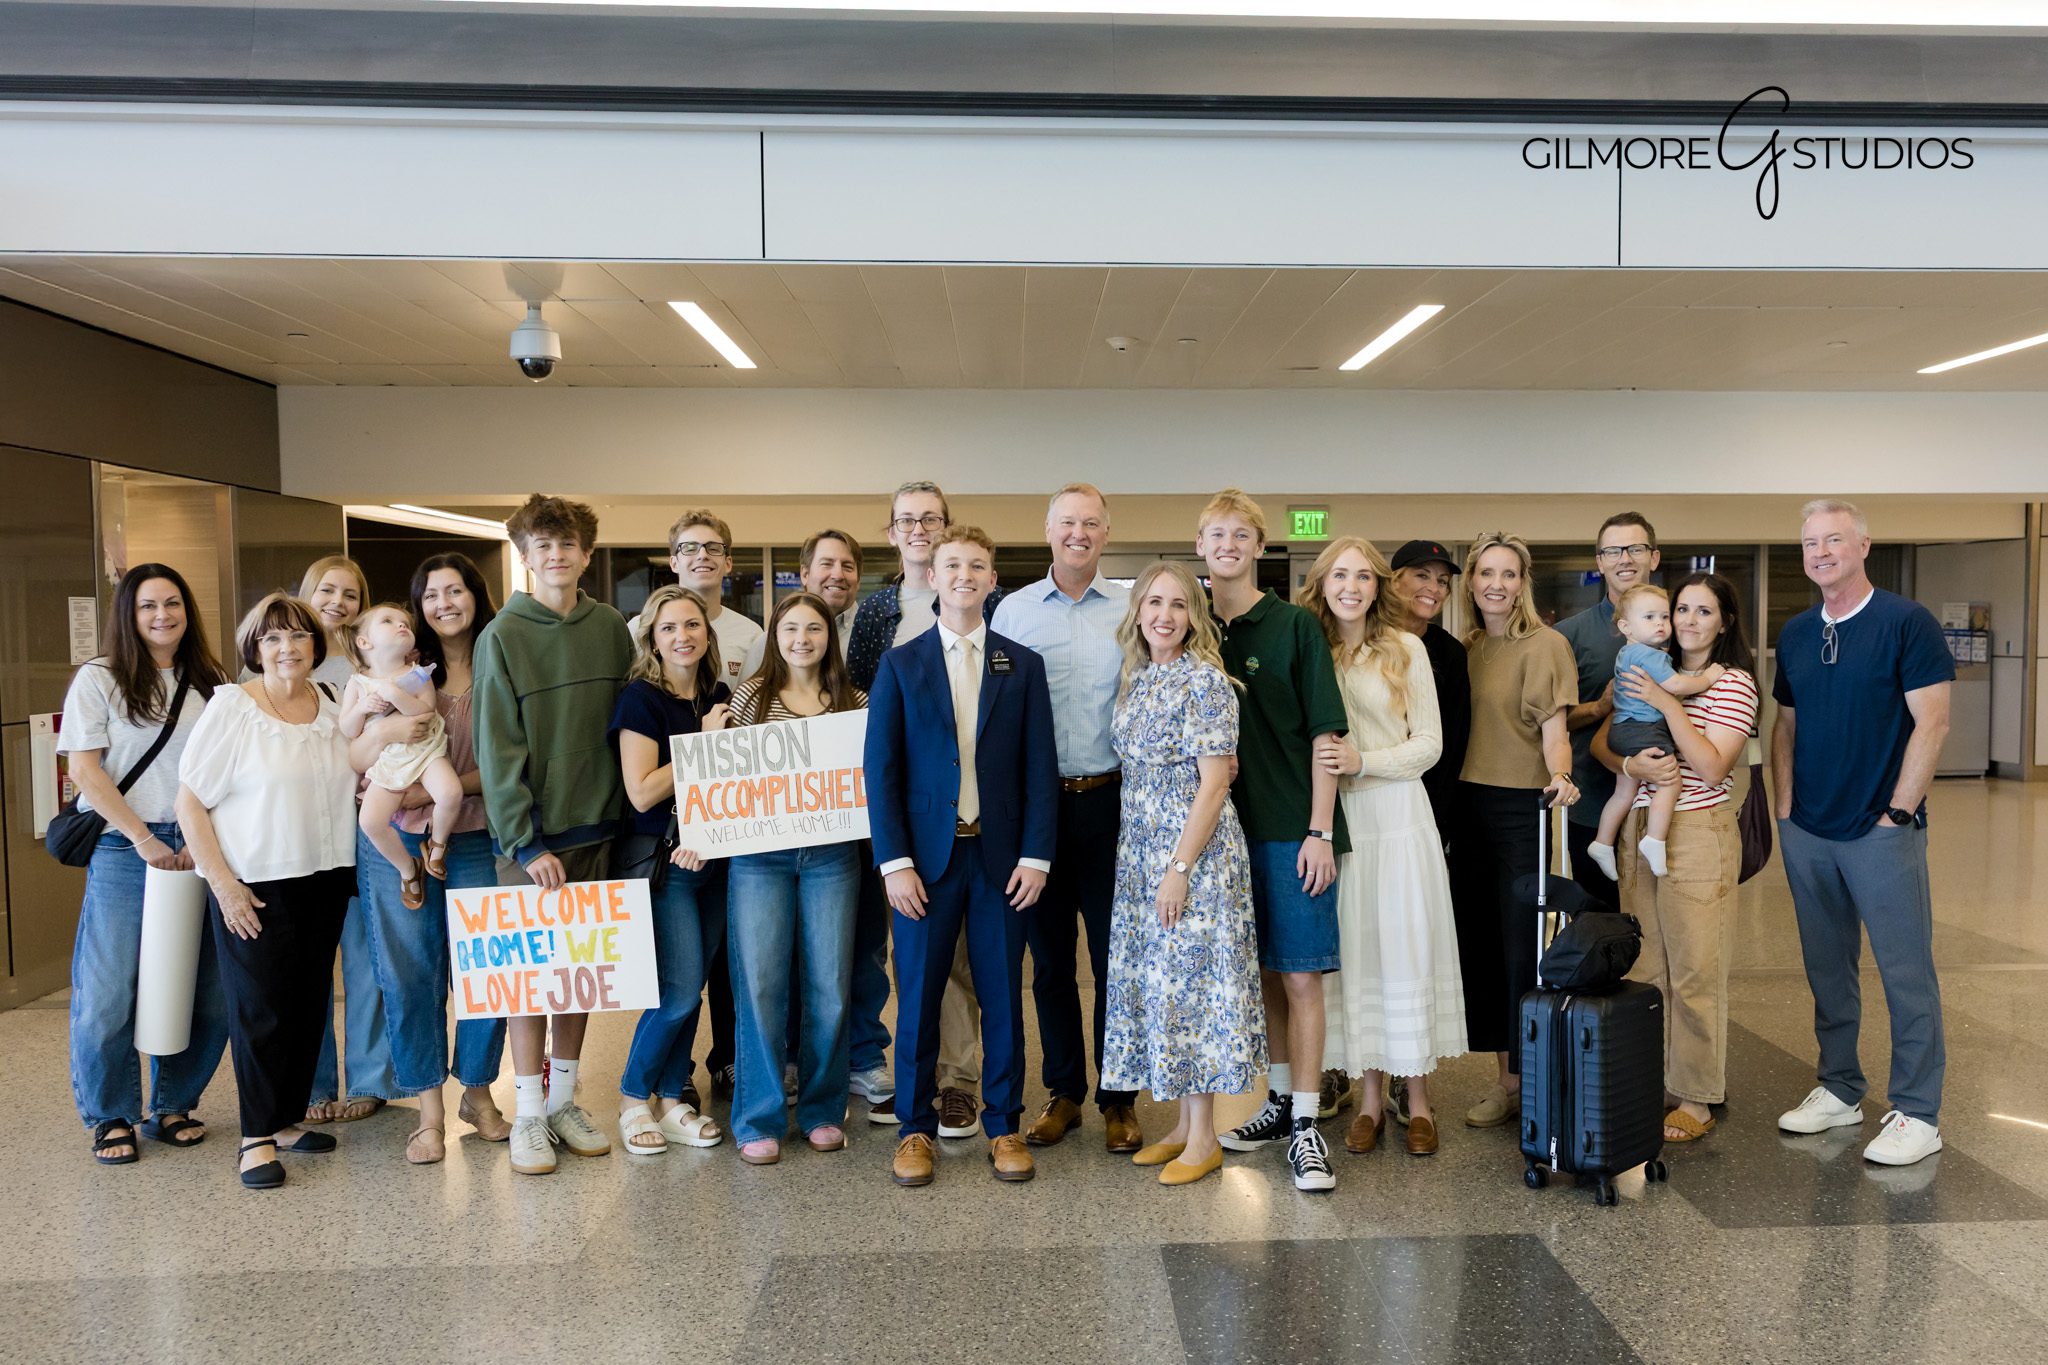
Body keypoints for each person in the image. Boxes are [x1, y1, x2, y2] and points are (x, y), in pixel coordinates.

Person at [866, 525, 1057, 1187]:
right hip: (924, 862)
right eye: (953, 564)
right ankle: (914, 1129)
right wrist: (894, 863)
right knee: (916, 996)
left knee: (1003, 994)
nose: (965, 574)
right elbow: (881, 770)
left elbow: (1040, 768)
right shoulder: (901, 664)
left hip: (1001, 860)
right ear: (933, 575)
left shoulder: (1021, 664)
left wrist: (1037, 856)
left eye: (978, 563)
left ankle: (1003, 1124)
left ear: (992, 578)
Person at [1771, 499, 1953, 1167]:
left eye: (1834, 539)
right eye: (1810, 542)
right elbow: (1784, 725)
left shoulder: (1907, 623)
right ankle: (1841, 1087)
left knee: (1906, 974)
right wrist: (1786, 810)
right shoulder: (1795, 632)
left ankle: (1918, 1110)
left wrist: (1897, 814)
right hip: (1809, 831)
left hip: (1881, 832)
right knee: (1828, 969)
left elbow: (1931, 726)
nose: (1820, 551)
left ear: (1864, 545)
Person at [175, 593, 359, 1189]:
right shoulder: (233, 706)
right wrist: (222, 884)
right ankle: (254, 1137)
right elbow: (190, 802)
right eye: (272, 638)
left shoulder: (331, 703)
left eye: (298, 636)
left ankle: (283, 1119)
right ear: (254, 648)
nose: (287, 648)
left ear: (315, 644)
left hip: (326, 876)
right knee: (259, 1009)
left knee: (307, 1003)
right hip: (255, 881)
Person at [474, 493, 634, 1176]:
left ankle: (567, 1098)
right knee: (529, 979)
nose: (558, 555)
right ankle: (531, 1113)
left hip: (605, 827)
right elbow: (496, 749)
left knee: (581, 977)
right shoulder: (502, 637)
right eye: (544, 545)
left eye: (569, 545)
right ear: (526, 555)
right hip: (534, 843)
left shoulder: (612, 629)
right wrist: (525, 842)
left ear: (587, 555)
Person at [846, 481, 1005, 1135]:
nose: (918, 528)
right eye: (906, 519)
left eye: (930, 518)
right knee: (910, 959)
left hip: (973, 818)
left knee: (967, 961)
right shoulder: (878, 611)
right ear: (891, 531)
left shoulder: (981, 604)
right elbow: (858, 701)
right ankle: (911, 1083)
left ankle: (960, 1081)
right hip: (906, 816)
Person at [1098, 562, 1264, 1187]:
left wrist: (1179, 869)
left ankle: (1205, 1139)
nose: (1164, 615)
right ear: (1137, 611)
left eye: (1178, 605)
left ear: (1194, 616)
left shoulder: (1206, 683)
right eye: (1154, 603)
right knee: (1166, 990)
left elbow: (1216, 782)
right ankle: (1180, 1126)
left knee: (1195, 992)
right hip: (1141, 853)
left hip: (1194, 857)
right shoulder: (1140, 679)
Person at [1300, 537, 1466, 1159]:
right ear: (1323, 584)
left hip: (1398, 816)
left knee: (1404, 949)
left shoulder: (1408, 649)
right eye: (1339, 575)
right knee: (1361, 952)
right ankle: (1369, 1100)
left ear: (1378, 587)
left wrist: (1364, 761)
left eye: (1362, 577)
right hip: (1339, 823)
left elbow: (1429, 745)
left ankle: (1417, 1100)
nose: (1351, 586)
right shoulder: (1311, 649)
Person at [1201, 489, 1347, 1194]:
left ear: (1259, 546)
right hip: (1222, 839)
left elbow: (1327, 736)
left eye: (1241, 534)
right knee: (1261, 978)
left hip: (1293, 832)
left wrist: (1319, 829)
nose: (1228, 544)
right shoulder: (1193, 629)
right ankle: (1282, 1102)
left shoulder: (1293, 627)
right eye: (1216, 533)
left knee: (1301, 975)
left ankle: (1310, 1127)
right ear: (1201, 545)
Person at [60, 563, 229, 1166]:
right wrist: (142, 838)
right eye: (148, 606)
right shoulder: (100, 678)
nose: (163, 616)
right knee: (109, 990)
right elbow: (85, 770)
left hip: (201, 843)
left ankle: (174, 1103)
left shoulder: (212, 680)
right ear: (128, 616)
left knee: (206, 987)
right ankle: (111, 1114)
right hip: (124, 848)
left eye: (174, 604)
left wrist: (197, 837)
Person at [991, 483, 1142, 1155]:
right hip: (1039, 812)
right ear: (1048, 531)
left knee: (1115, 958)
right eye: (1067, 523)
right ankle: (1063, 1092)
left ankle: (1118, 1098)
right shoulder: (1013, 613)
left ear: (1106, 532)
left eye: (1090, 523)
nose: (1078, 533)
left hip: (1113, 805)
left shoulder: (1135, 607)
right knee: (1048, 961)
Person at [348, 553, 511, 1163]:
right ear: (416, 608)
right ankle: (428, 1113)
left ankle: (478, 1091)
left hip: (476, 836)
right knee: (410, 974)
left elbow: (511, 765)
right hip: (395, 845)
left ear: (476, 596)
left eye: (456, 590)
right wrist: (386, 736)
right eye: (431, 593)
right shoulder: (397, 673)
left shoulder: (500, 663)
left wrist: (440, 788)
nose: (445, 603)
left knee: (485, 972)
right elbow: (354, 757)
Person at [1592, 573, 1758, 1144]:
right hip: (1641, 826)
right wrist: (1631, 766)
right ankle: (1658, 1080)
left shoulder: (1732, 683)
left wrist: (1668, 702)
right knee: (1646, 967)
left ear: (1724, 622)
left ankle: (1697, 1093)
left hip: (1695, 832)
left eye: (1702, 611)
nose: (1686, 620)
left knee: (1695, 972)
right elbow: (1605, 739)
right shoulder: (1643, 663)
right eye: (1680, 608)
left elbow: (1712, 767)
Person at [725, 593, 867, 1163]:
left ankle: (822, 1109)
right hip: (760, 859)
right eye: (790, 628)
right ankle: (758, 1116)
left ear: (829, 637)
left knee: (830, 984)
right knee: (760, 986)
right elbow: (722, 780)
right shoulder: (751, 698)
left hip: (833, 856)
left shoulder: (854, 702)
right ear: (774, 635)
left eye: (814, 628)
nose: (802, 638)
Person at [1457, 531, 1579, 1130]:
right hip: (1468, 808)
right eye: (1486, 574)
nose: (1496, 585)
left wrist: (1561, 776)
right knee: (1483, 950)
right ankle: (1506, 1083)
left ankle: (1539, 1083)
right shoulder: (1472, 646)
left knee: (1524, 950)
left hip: (1521, 811)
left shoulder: (1545, 645)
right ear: (1471, 582)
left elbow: (1555, 732)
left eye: (1508, 574)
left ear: (1522, 583)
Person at [609, 585, 731, 1158]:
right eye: (668, 628)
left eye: (691, 625)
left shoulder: (720, 694)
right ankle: (634, 1098)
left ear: (708, 633)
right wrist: (703, 746)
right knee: (678, 991)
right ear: (652, 641)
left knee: (695, 986)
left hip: (715, 858)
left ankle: (670, 1095)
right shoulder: (641, 698)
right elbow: (641, 792)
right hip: (663, 863)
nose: (682, 636)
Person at [295, 555, 395, 1125]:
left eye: (350, 594)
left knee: (366, 959)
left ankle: (369, 1078)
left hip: (362, 827)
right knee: (308, 967)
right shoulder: (275, 661)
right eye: (326, 589)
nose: (337, 601)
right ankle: (310, 1085)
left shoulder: (374, 661)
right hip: (300, 835)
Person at [1379, 539, 1472, 1127]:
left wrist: (1437, 825)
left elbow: (1450, 744)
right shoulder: (1355, 634)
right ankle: (1354, 1074)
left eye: (1442, 580)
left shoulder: (1447, 652)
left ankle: (1410, 1082)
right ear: (1392, 579)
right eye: (1421, 575)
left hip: (1418, 814)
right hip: (1358, 813)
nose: (1433, 589)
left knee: (1409, 945)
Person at [1556, 513, 1663, 910]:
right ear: (1599, 561)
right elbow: (1554, 722)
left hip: (1669, 800)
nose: (1625, 559)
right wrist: (1600, 707)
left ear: (1653, 557)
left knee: (1663, 919)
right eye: (1613, 550)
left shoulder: (1679, 624)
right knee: (1599, 921)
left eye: (1635, 548)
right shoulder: (1569, 635)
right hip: (1594, 804)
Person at [1584, 585, 1724, 881]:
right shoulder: (1651, 656)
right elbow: (1675, 687)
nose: (1660, 624)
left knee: (1623, 792)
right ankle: (1655, 840)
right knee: (1671, 781)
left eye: (1663, 616)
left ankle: (1602, 842)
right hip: (1643, 730)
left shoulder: (1626, 654)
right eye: (1649, 617)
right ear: (1626, 627)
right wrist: (1708, 677)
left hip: (1622, 729)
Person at [339, 604, 465, 908]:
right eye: (388, 621)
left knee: (451, 793)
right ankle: (408, 869)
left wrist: (395, 694)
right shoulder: (358, 682)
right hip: (388, 761)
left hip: (425, 752)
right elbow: (347, 727)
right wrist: (362, 708)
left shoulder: (418, 674)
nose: (401, 625)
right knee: (370, 822)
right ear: (364, 642)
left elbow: (425, 711)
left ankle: (436, 846)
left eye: (405, 622)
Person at [740, 529, 864, 677]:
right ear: (805, 574)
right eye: (827, 564)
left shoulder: (876, 635)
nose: (838, 575)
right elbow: (748, 697)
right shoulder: (769, 643)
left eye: (847, 566)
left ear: (859, 580)